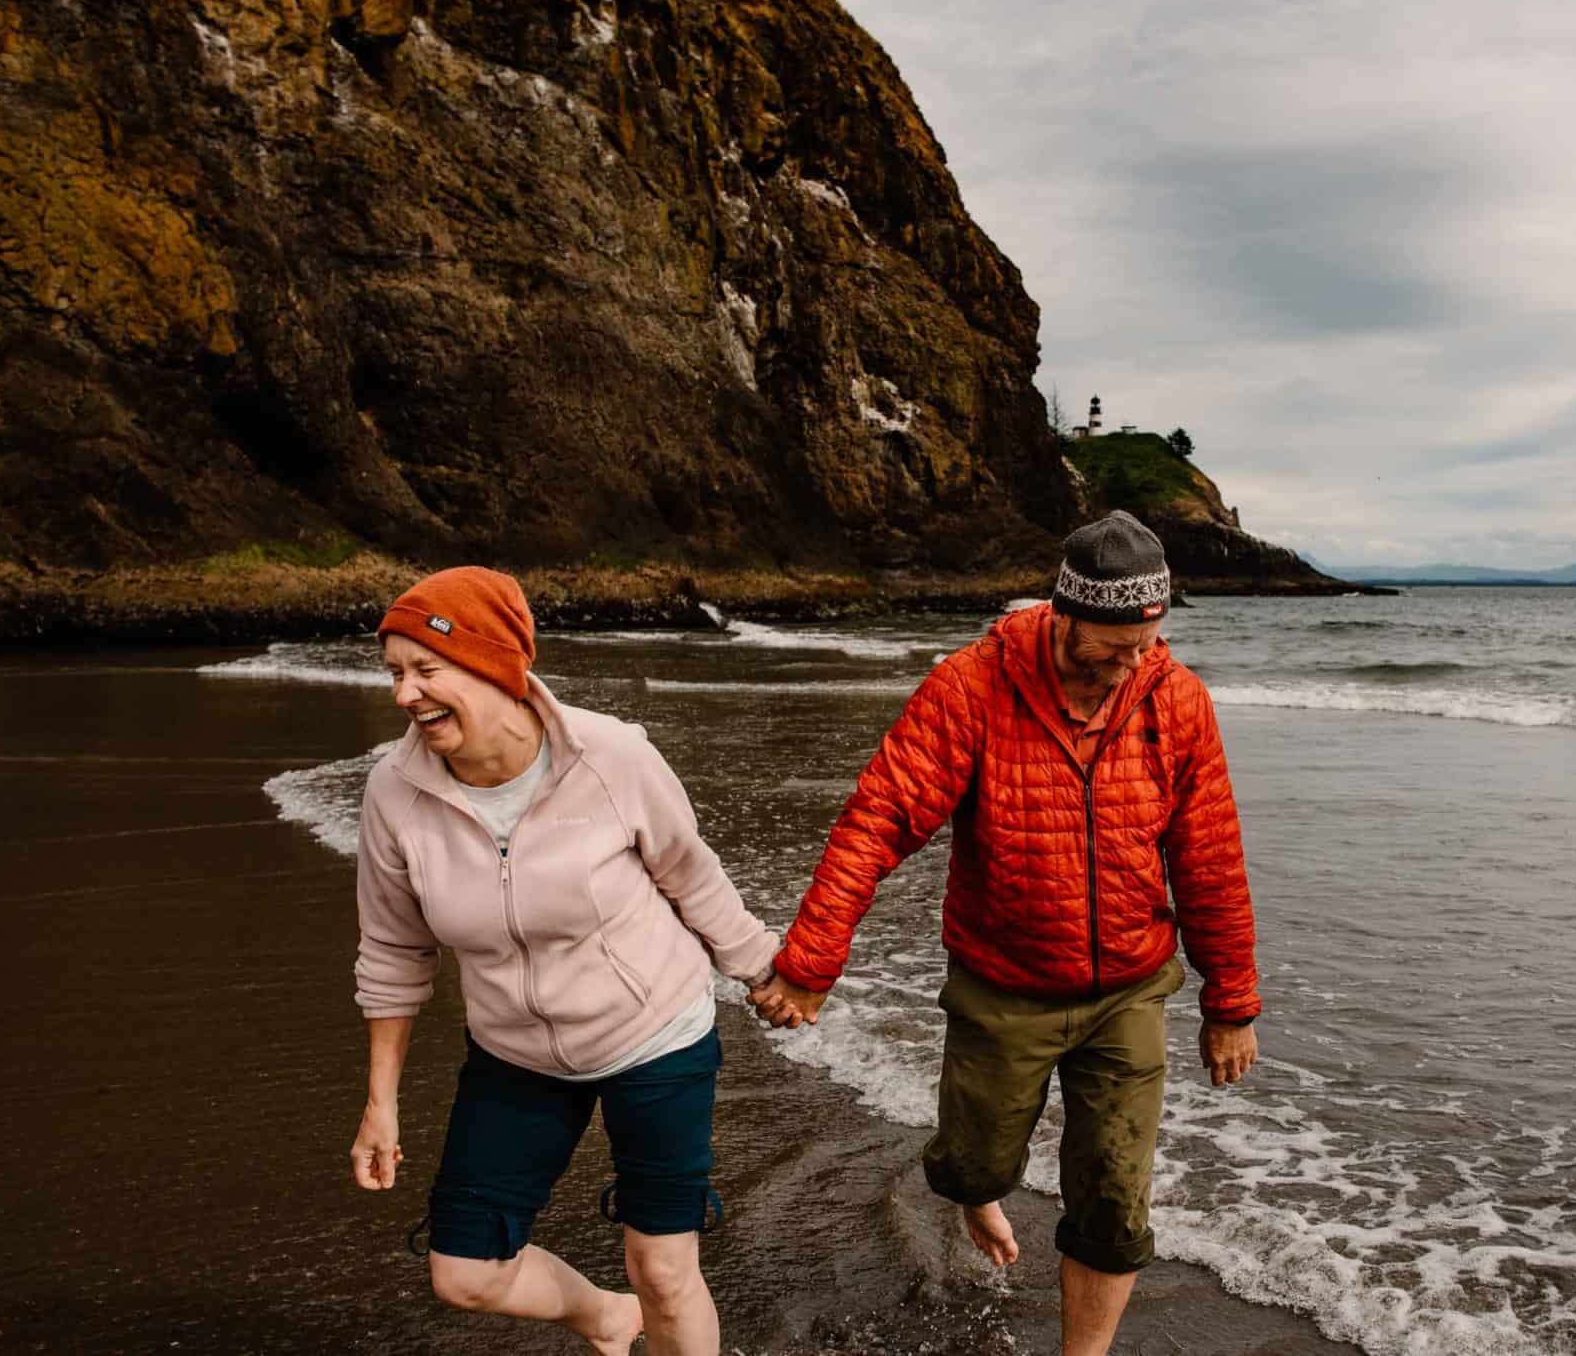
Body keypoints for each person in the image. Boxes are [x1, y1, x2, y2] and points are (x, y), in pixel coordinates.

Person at [751, 512, 1262, 1356]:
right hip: (1004, 984)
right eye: (1114, 644)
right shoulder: (972, 687)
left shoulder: (1175, 700)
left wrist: (1231, 1001)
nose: (1134, 663)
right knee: (972, 1163)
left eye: (1149, 640)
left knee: (1114, 1201)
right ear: (1064, 614)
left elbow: (1209, 858)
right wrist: (810, 961)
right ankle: (977, 1190)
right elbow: (879, 817)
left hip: (1128, 991)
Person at [347, 567, 781, 1356]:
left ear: (494, 664)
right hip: (515, 1052)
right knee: (464, 1270)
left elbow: (691, 872)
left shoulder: (612, 756)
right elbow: (393, 950)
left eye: (425, 669)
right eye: (395, 673)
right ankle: (603, 1316)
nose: (405, 695)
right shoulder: (393, 792)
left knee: (664, 1268)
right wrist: (381, 1101)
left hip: (654, 1033)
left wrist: (763, 969)